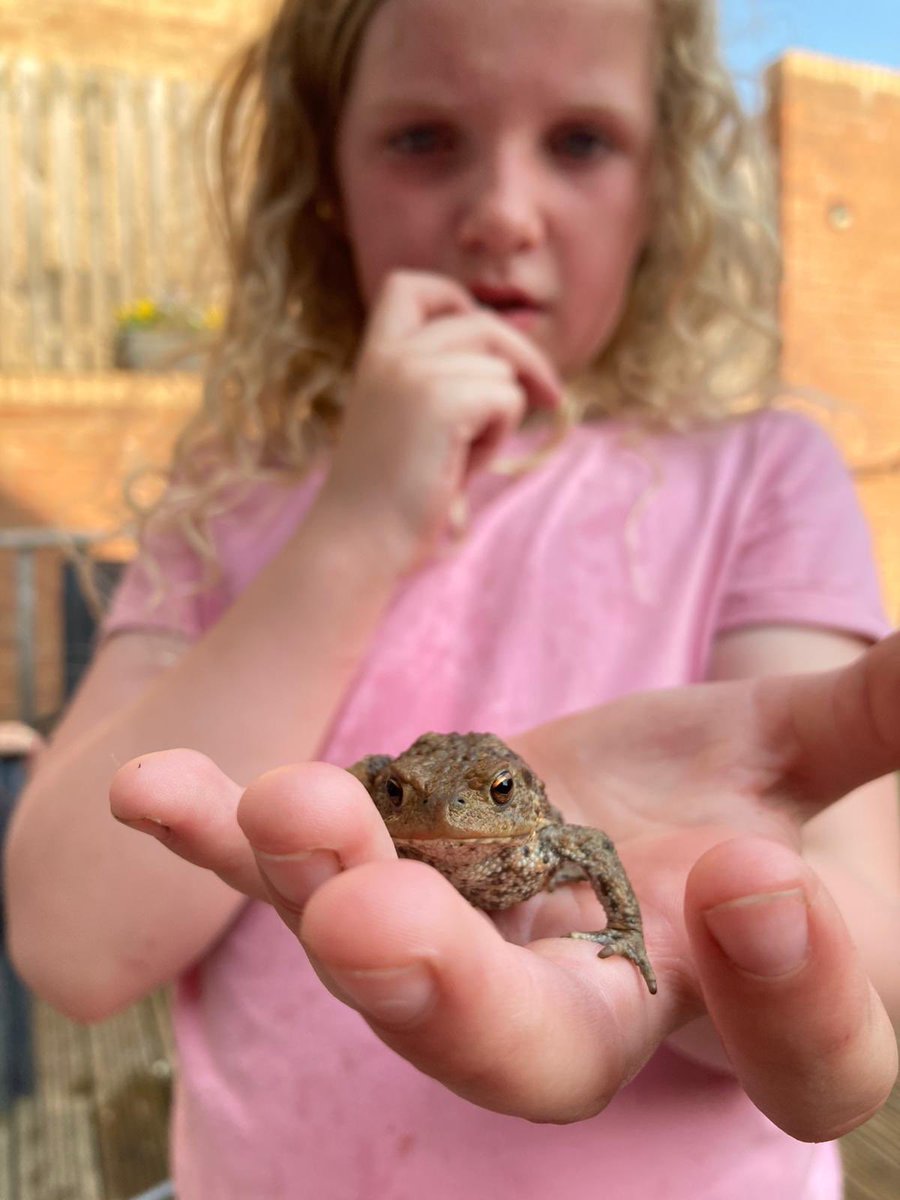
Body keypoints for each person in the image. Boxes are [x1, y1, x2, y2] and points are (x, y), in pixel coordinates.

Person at [6, 0, 900, 1196]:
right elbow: (66, 942)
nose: (502, 215)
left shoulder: (760, 474)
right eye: (424, 137)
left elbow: (864, 919)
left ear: (669, 186)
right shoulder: (229, 504)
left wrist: (723, 949)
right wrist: (356, 523)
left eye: (581, 140)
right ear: (320, 176)